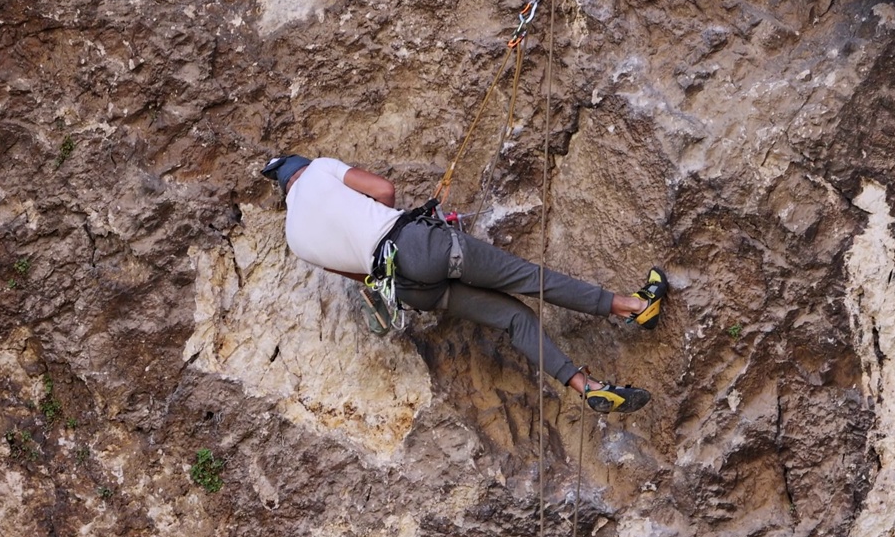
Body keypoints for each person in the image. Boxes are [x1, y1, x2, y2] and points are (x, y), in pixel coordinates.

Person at [260, 154, 667, 414]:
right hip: (418, 244)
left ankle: (586, 385)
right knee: (530, 279)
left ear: (284, 189)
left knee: (513, 319)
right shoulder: (319, 169)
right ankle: (634, 306)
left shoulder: (296, 240)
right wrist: (388, 225)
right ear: (301, 169)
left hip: (404, 286)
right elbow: (384, 190)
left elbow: (360, 274)